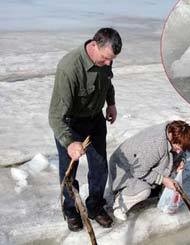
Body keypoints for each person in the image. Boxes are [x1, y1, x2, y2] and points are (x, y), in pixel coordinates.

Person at [48, 27, 122, 231]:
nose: (108, 63)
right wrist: (69, 142)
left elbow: (107, 81)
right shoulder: (69, 68)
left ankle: (95, 206)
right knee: (68, 171)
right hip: (70, 124)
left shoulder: (106, 59)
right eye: (106, 58)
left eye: (111, 60)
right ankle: (71, 209)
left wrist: (111, 103)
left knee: (99, 167)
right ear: (94, 46)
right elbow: (55, 116)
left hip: (95, 120)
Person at [109, 120, 190, 221]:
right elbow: (138, 171)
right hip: (124, 171)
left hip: (143, 165)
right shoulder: (155, 144)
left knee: (171, 172)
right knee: (144, 191)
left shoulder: (175, 134)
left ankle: (156, 190)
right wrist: (163, 180)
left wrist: (181, 161)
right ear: (172, 136)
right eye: (178, 148)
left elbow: (181, 151)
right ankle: (120, 203)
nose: (179, 151)